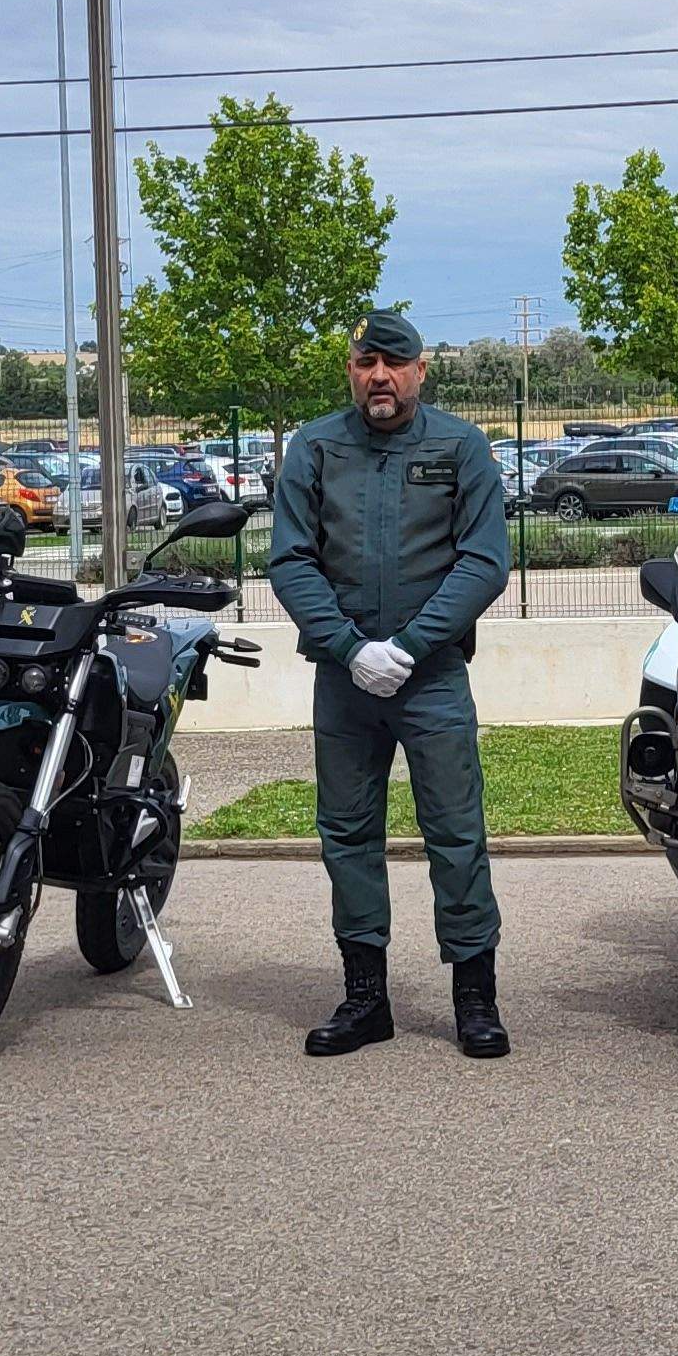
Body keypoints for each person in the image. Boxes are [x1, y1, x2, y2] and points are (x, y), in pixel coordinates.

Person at [265, 309, 513, 1058]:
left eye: (394, 363)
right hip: (345, 683)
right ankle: (365, 998)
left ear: (420, 371)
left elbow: (483, 562)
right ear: (350, 368)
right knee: (346, 835)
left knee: (456, 833)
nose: (380, 377)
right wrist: (349, 648)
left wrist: (408, 646)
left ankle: (474, 998)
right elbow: (291, 561)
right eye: (366, 362)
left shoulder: (462, 449)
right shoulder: (313, 448)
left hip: (431, 678)